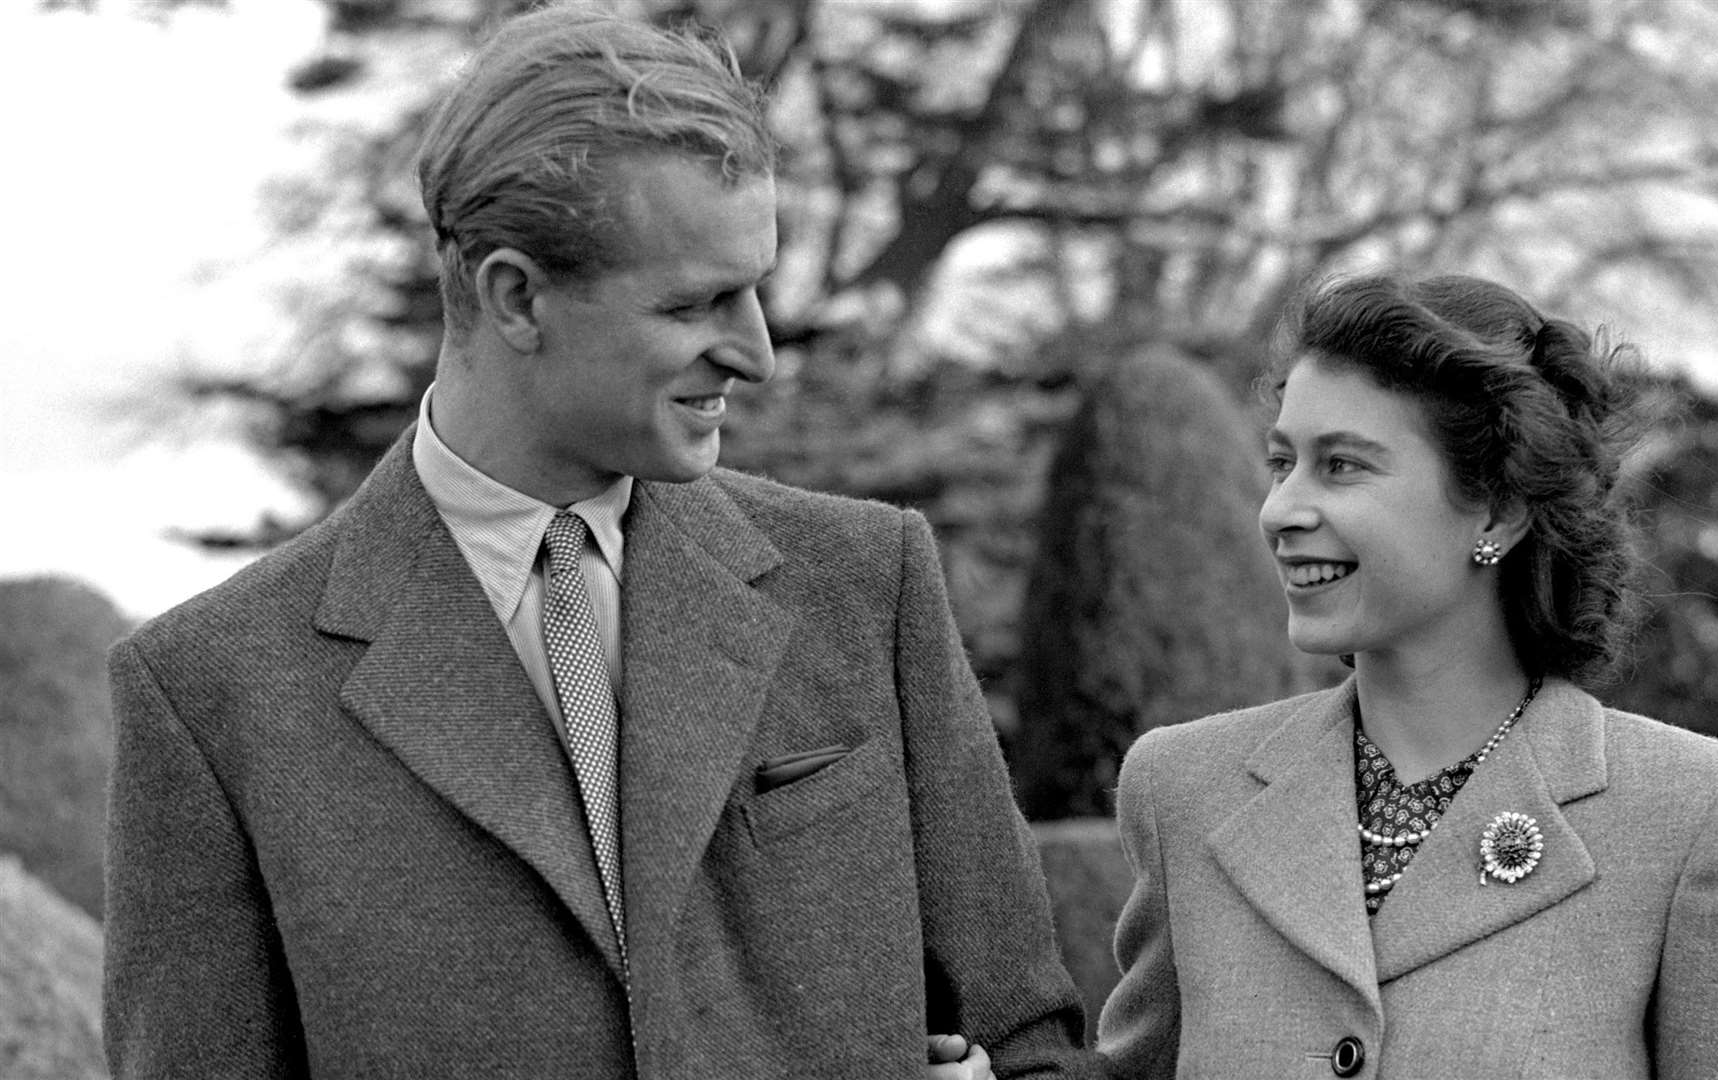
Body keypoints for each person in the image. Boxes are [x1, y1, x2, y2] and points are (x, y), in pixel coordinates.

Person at [102, 7, 1094, 1078]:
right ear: (516, 296)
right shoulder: (211, 693)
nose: (755, 353)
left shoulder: (866, 582)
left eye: (755, 289)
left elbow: (1029, 1041)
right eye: (697, 303)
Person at [1096, 273, 1718, 1078]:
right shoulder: (1181, 790)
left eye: (1341, 465)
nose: (1279, 510)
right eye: (1282, 463)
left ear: (1497, 509)